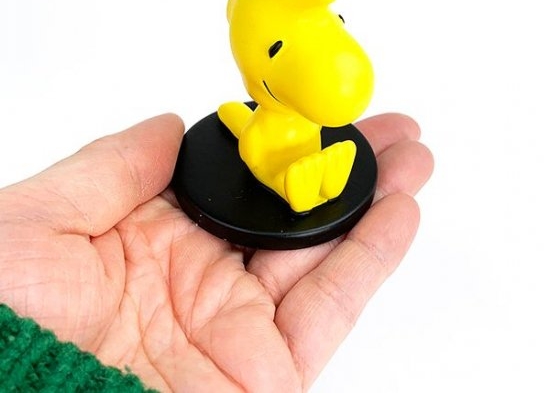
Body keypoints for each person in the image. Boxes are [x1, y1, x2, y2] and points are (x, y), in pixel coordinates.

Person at [0, 112, 433, 392]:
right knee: (275, 160)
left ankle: (316, 176)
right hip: (272, 162)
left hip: (291, 148)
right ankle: (304, 181)